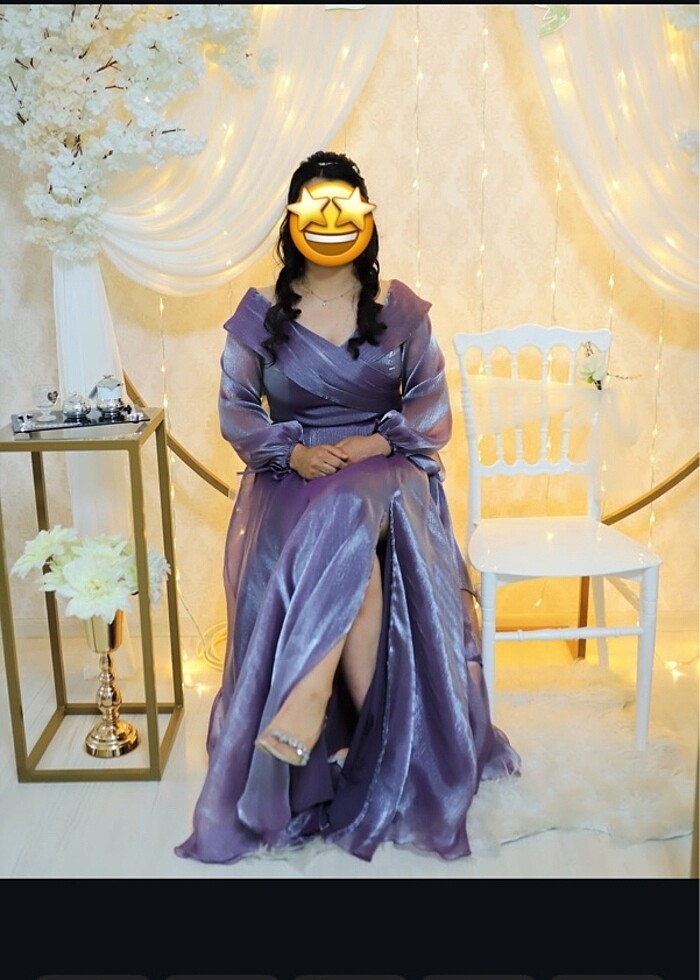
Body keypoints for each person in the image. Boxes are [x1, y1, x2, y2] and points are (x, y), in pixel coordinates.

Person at [175, 149, 520, 866]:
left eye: (344, 208)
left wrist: (371, 443)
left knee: (348, 512)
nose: (330, 223)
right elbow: (237, 409)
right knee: (352, 558)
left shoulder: (399, 309)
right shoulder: (260, 315)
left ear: (366, 219)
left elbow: (429, 411)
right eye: (314, 209)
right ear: (292, 221)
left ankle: (307, 703)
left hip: (387, 472)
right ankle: (382, 751)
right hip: (294, 478)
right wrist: (293, 454)